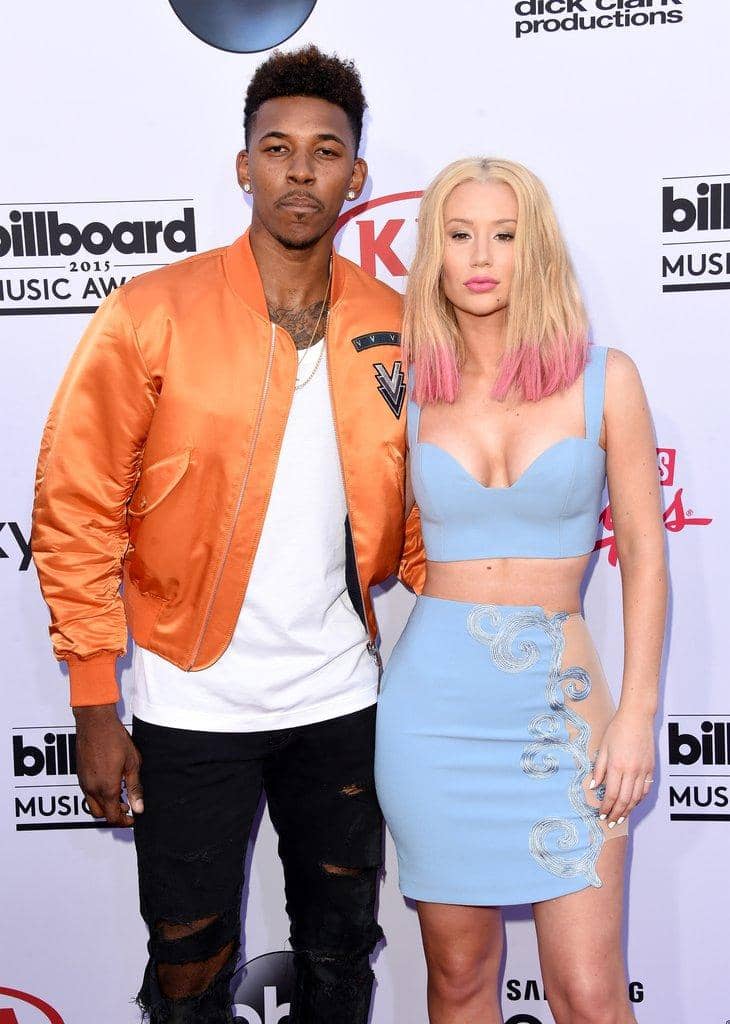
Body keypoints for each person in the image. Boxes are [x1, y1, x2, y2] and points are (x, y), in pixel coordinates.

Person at [32, 46, 414, 1024]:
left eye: (325, 151)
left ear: (356, 175)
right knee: (189, 964)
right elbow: (77, 507)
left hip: (341, 698)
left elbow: (425, 516)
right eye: (276, 148)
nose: (300, 171)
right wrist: (93, 700)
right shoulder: (151, 313)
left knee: (341, 955)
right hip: (189, 700)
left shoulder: (398, 324)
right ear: (244, 166)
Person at [377, 158, 667, 1024]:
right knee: (460, 980)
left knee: (589, 992)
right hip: (432, 716)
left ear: (534, 249)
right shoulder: (405, 386)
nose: (481, 256)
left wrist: (636, 715)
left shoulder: (606, 378)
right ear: (432, 251)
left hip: (564, 710)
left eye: (504, 235)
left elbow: (645, 554)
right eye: (459, 234)